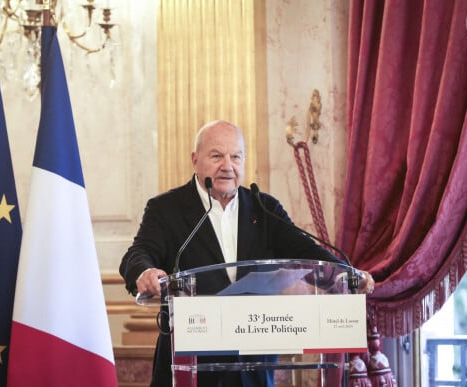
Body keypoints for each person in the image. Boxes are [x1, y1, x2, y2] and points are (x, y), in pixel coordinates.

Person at [119, 120, 374, 387]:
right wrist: (145, 271)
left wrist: (346, 274)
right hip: (190, 367)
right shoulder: (166, 208)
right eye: (216, 156)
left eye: (236, 156)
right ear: (195, 160)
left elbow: (306, 250)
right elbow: (138, 253)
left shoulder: (264, 208)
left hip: (252, 366)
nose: (227, 166)